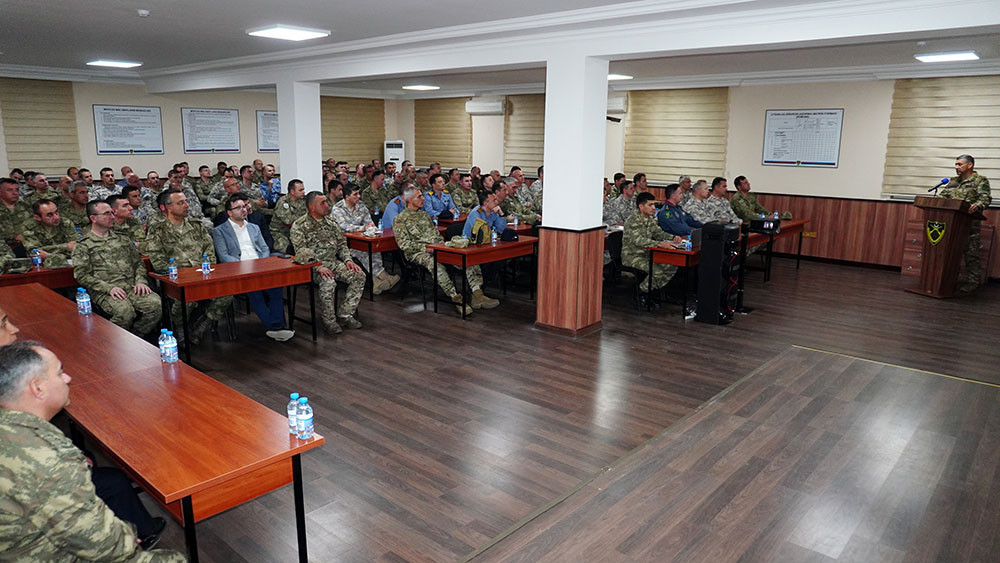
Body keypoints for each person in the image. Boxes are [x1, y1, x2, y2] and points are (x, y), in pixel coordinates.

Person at [0, 342, 184, 561]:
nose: (67, 378)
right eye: (59, 373)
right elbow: (101, 545)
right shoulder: (48, 461)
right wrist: (128, 537)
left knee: (111, 481)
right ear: (38, 388)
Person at [145, 188, 232, 344]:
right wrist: (174, 275)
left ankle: (202, 324)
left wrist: (207, 268)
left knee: (227, 292)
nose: (186, 205)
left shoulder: (196, 225)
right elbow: (157, 257)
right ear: (169, 207)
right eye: (180, 203)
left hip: (202, 273)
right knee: (186, 297)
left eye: (186, 201)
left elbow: (209, 248)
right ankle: (180, 327)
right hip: (174, 278)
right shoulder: (158, 230)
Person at [72, 201, 162, 337]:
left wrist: (140, 281)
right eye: (107, 214)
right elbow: (82, 275)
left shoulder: (123, 238)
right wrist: (108, 288)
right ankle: (108, 340)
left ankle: (136, 337)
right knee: (124, 312)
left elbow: (138, 263)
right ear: (93, 218)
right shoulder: (83, 245)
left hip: (131, 286)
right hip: (105, 291)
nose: (112, 217)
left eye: (112, 213)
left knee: (155, 305)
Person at [212, 194, 294, 342]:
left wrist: (260, 264)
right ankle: (274, 327)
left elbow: (264, 248)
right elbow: (224, 256)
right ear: (229, 212)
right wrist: (245, 266)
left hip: (260, 266)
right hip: (239, 270)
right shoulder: (220, 231)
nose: (243, 210)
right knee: (254, 290)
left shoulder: (254, 227)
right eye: (238, 208)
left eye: (244, 206)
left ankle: (276, 327)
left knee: (276, 287)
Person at [290, 192, 366, 335]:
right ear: (312, 207)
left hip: (333, 262)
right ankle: (329, 321)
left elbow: (342, 245)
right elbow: (301, 251)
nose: (327, 205)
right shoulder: (300, 225)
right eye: (322, 203)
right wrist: (318, 266)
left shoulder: (331, 222)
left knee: (358, 275)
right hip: (312, 267)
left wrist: (348, 260)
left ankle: (345, 315)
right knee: (328, 282)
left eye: (326, 201)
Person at [393, 187, 477, 315]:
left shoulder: (424, 215)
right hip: (417, 253)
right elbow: (403, 244)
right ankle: (455, 297)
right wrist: (426, 248)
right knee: (434, 264)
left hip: (437, 247)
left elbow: (436, 234)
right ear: (409, 199)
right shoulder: (400, 219)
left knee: (463, 257)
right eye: (419, 196)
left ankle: (477, 292)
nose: (423, 198)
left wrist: (442, 246)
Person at [330, 184, 400, 295]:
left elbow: (369, 222)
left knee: (374, 249)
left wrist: (371, 228)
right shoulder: (338, 208)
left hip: (361, 238)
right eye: (355, 194)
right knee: (363, 251)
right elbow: (344, 227)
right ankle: (383, 276)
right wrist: (363, 228)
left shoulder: (361, 205)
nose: (358, 196)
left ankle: (377, 282)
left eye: (358, 193)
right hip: (344, 243)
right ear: (347, 197)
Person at [940, 154, 992, 293]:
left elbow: (985, 198)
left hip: (969, 224)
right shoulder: (953, 181)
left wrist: (978, 205)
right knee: (950, 253)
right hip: (951, 224)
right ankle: (950, 279)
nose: (956, 167)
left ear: (970, 165)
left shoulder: (980, 180)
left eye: (959, 164)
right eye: (956, 164)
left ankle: (973, 282)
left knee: (971, 254)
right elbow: (943, 197)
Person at [623, 191, 682, 296]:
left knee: (672, 265)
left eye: (654, 204)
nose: (654, 208)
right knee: (657, 270)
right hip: (632, 256)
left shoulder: (650, 219)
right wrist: (659, 244)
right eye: (650, 205)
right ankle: (642, 292)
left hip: (647, 254)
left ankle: (654, 290)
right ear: (641, 206)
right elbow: (638, 240)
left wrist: (673, 237)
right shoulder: (633, 219)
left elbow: (659, 233)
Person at [272, 178, 308, 254]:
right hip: (281, 232)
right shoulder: (283, 202)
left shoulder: (303, 201)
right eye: (300, 190)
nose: (303, 192)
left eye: (303, 189)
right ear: (292, 192)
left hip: (299, 231)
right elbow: (289, 221)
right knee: (288, 250)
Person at [0, 177, 32, 250]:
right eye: (9, 190)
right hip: (4, 248)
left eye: (17, 190)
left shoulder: (26, 205)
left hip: (28, 244)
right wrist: (14, 237)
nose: (15, 193)